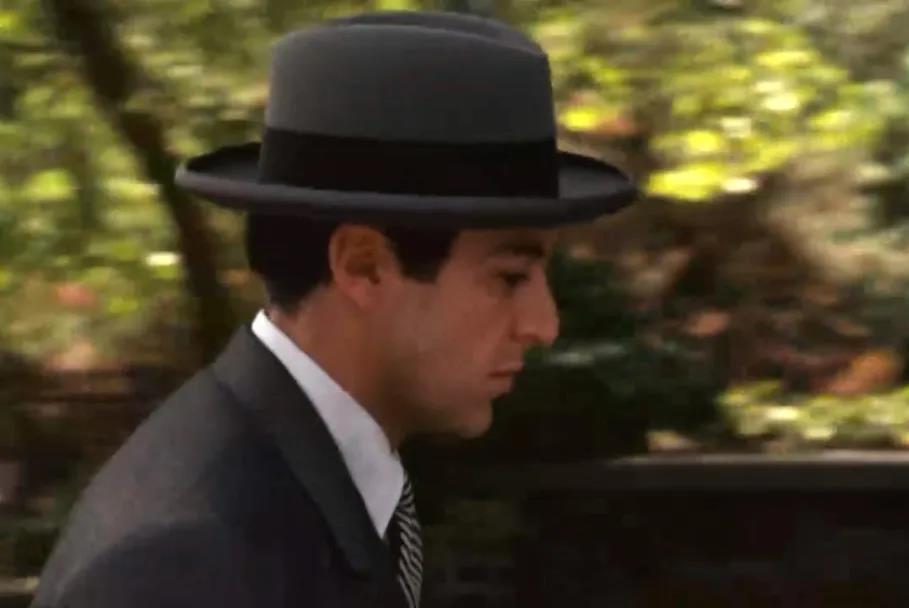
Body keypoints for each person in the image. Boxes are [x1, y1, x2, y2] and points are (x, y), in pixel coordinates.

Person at [30, 9, 636, 608]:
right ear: (363, 266)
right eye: (510, 277)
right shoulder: (187, 558)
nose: (543, 325)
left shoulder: (305, 479)